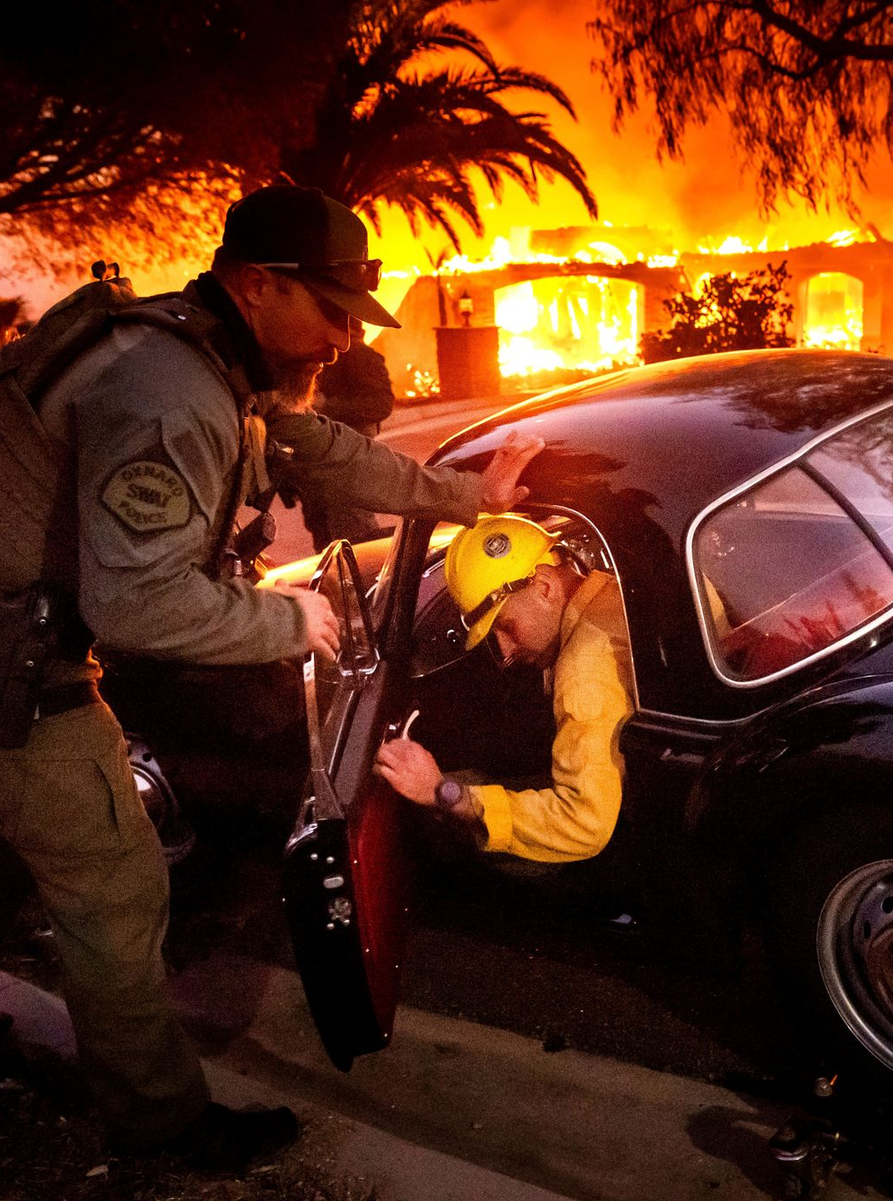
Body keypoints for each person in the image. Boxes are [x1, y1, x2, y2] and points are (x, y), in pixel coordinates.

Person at [0, 185, 541, 1169]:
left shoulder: (198, 348)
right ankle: (161, 1130)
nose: (344, 333)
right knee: (114, 886)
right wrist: (286, 617)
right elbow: (135, 604)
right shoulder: (169, 389)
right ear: (256, 285)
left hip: (25, 644)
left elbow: (308, 444)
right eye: (330, 308)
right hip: (17, 673)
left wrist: (471, 496)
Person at [374, 514, 634, 864]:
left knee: (454, 838)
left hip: (620, 855)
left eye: (506, 626)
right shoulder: (615, 588)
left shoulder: (584, 673)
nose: (508, 653)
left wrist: (442, 793)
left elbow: (583, 823)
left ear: (544, 587)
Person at [292, 318, 397, 549]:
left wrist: (327, 406)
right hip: (321, 456)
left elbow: (381, 403)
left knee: (354, 536)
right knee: (325, 538)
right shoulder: (324, 354)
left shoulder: (360, 355)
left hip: (348, 458)